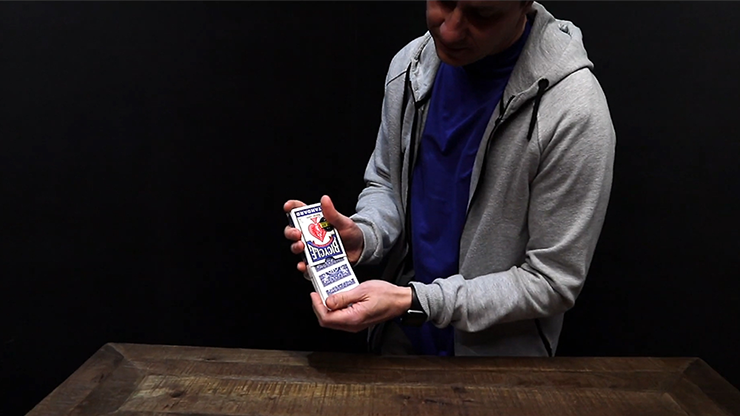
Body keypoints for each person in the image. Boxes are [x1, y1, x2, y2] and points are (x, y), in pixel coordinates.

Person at [284, 0, 615, 357]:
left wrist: (415, 301)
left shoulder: (575, 112)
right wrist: (366, 234)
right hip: (397, 340)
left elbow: (551, 281)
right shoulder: (410, 66)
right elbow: (387, 183)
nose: (450, 30)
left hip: (497, 367)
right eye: (444, 1)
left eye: (482, 15)